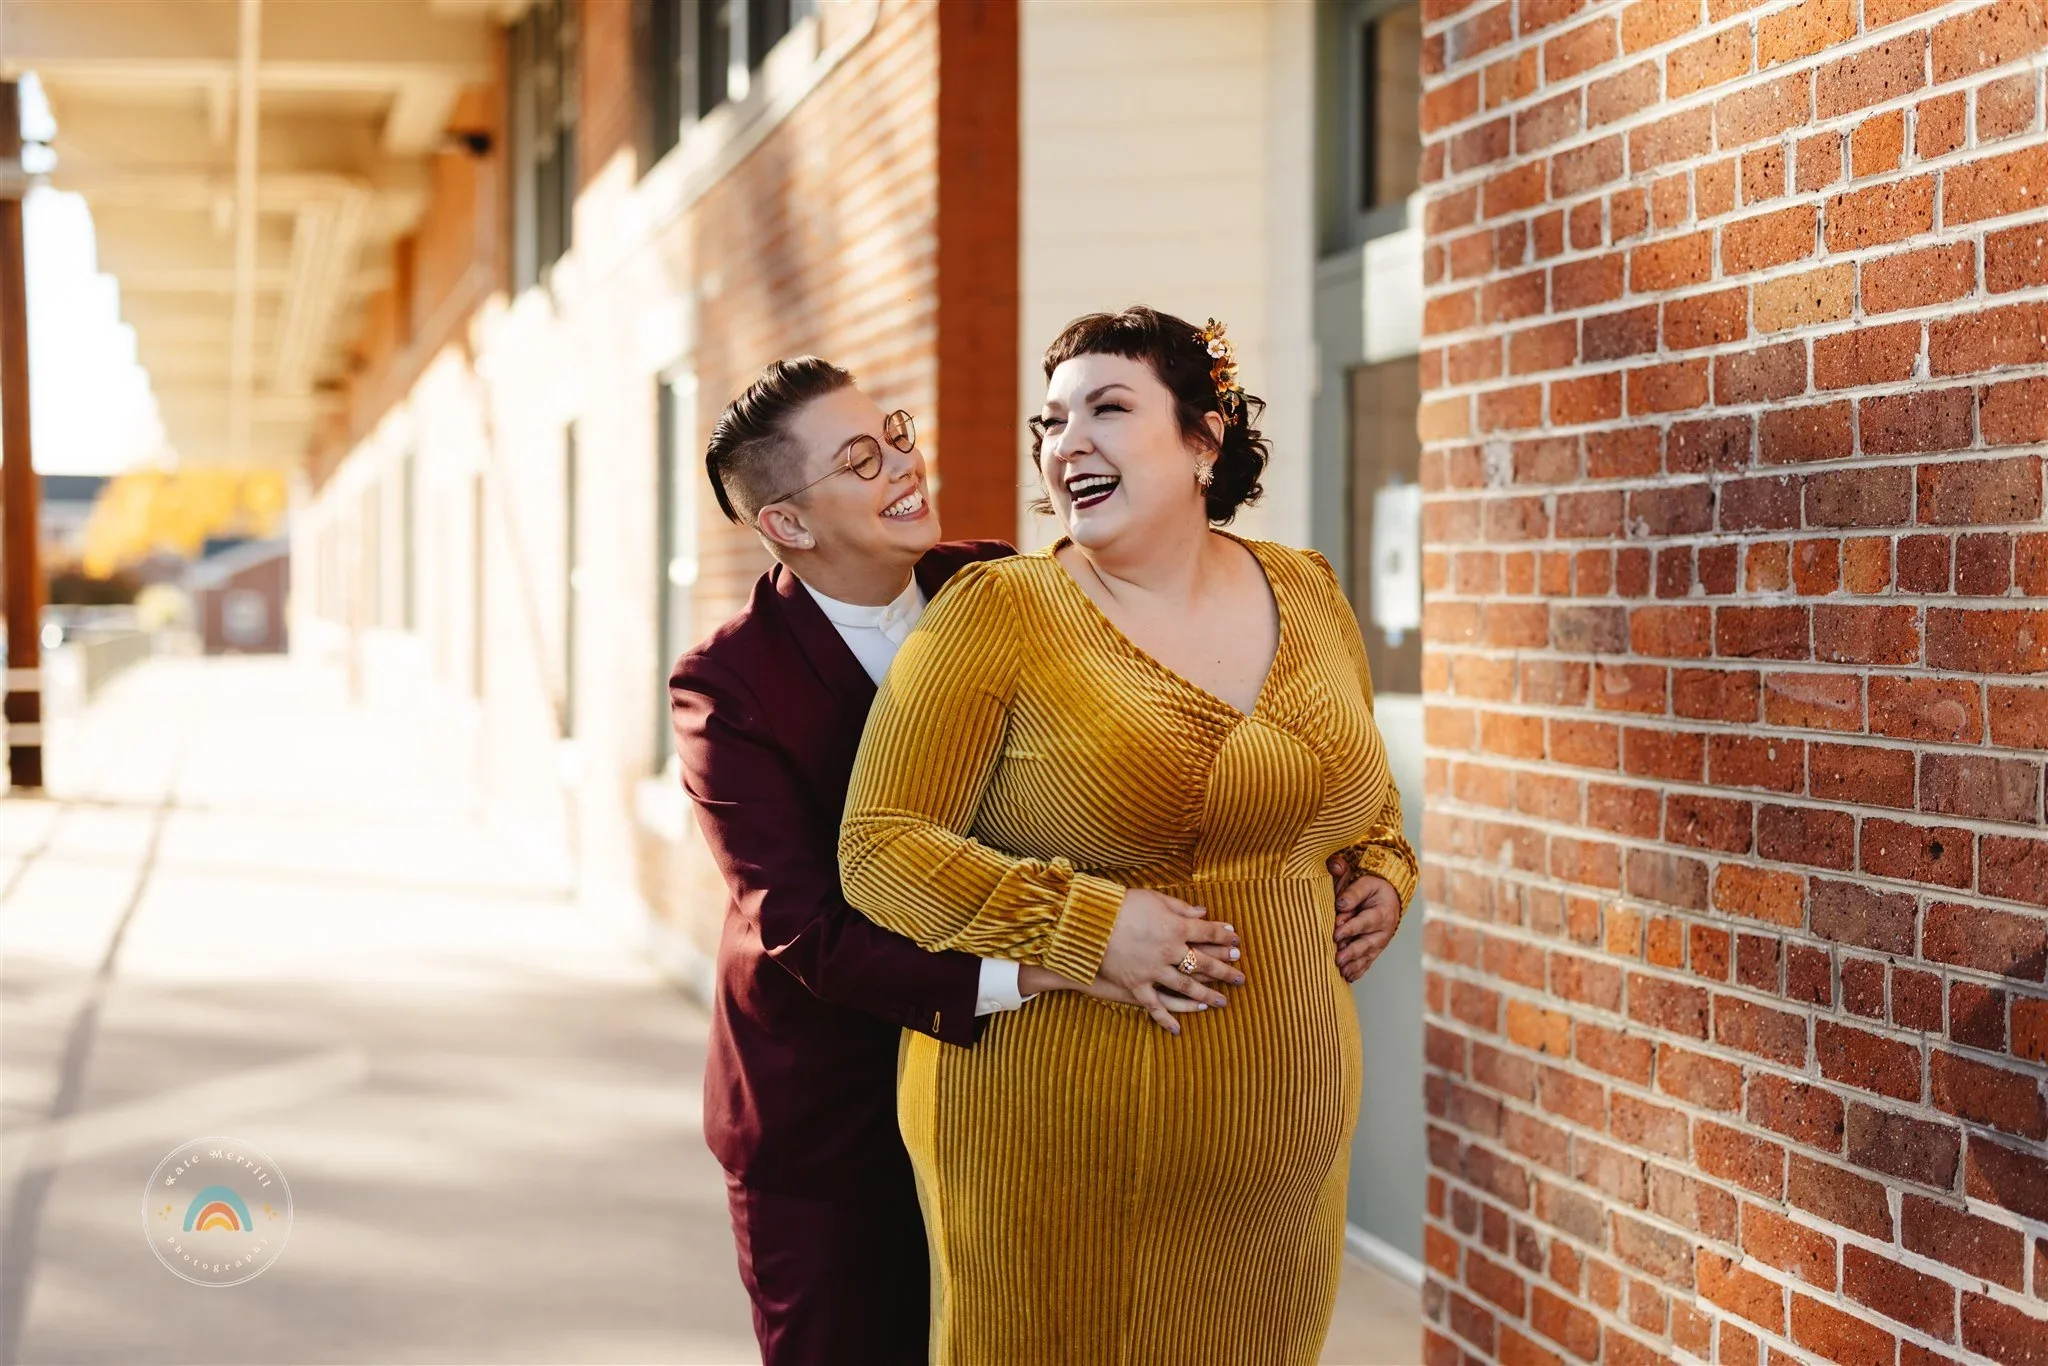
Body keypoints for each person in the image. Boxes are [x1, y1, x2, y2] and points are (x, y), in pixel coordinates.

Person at [668, 357, 1401, 1365]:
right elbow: (805, 924)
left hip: (1043, 1091)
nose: (902, 465)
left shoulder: (1002, 583)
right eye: (858, 462)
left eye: (892, 433)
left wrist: (1369, 859)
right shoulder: (725, 684)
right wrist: (1051, 956)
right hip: (830, 1101)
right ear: (789, 524)